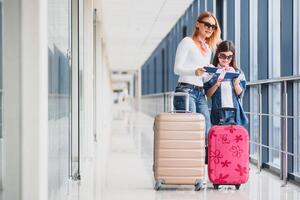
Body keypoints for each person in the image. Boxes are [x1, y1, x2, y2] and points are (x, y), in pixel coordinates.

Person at [173, 11, 221, 135]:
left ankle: (204, 155)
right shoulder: (187, 42)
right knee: (191, 131)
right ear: (197, 24)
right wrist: (194, 71)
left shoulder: (208, 49)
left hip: (200, 93)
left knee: (206, 129)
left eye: (213, 26)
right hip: (185, 91)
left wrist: (211, 73)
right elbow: (176, 69)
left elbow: (203, 78)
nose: (210, 28)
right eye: (207, 25)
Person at [204, 40, 248, 126]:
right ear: (217, 55)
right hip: (218, 111)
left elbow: (241, 95)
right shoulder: (212, 72)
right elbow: (208, 94)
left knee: (234, 137)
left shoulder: (237, 72)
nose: (226, 59)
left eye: (229, 57)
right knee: (219, 137)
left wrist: (235, 84)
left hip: (234, 112)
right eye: (222, 56)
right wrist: (217, 83)